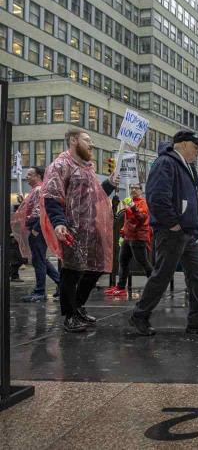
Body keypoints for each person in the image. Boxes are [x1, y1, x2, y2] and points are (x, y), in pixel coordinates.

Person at [129, 130, 198, 336]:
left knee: (197, 275)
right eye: (195, 147)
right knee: (163, 274)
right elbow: (156, 196)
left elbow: (190, 201)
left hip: (187, 232)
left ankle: (197, 319)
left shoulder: (188, 167)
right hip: (173, 232)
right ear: (182, 144)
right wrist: (172, 224)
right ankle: (139, 315)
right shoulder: (165, 163)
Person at [40, 129, 117, 332]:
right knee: (71, 271)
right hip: (72, 228)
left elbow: (94, 196)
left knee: (97, 267)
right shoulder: (61, 165)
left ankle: (78, 305)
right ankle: (69, 315)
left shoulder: (87, 168)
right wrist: (59, 222)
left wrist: (108, 184)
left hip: (91, 229)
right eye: (87, 140)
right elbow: (52, 196)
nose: (91, 145)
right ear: (74, 141)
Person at [11, 166, 61, 302]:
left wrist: (36, 229)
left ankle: (40, 291)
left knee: (38, 260)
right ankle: (60, 284)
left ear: (39, 176)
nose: (27, 177)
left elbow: (42, 211)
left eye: (30, 174)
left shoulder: (39, 189)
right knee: (40, 259)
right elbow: (33, 209)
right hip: (36, 228)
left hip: (37, 229)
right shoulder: (37, 190)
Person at [105, 183, 153, 297]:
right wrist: (123, 231)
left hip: (138, 238)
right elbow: (128, 220)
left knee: (143, 262)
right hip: (128, 237)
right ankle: (121, 287)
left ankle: (155, 286)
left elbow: (141, 218)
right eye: (132, 188)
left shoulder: (143, 203)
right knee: (123, 261)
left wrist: (132, 207)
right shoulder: (129, 202)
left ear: (141, 191)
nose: (134, 190)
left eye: (136, 188)